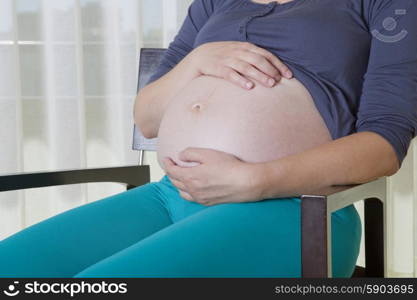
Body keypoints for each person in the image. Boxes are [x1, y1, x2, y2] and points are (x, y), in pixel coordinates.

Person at [0, 0, 416, 278]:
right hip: (168, 198)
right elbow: (147, 119)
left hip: (296, 211)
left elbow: (384, 145)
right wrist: (197, 61)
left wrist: (257, 180)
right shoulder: (214, 3)